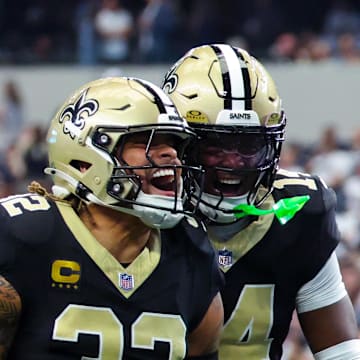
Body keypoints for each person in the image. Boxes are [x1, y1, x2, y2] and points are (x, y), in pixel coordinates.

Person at [0, 76, 224, 359]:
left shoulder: (192, 252)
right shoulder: (22, 235)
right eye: (147, 143)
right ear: (85, 160)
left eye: (174, 145)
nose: (171, 155)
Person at [162, 43, 360, 359]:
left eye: (249, 145)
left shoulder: (298, 212)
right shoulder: (143, 215)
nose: (234, 163)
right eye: (216, 146)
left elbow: (341, 350)